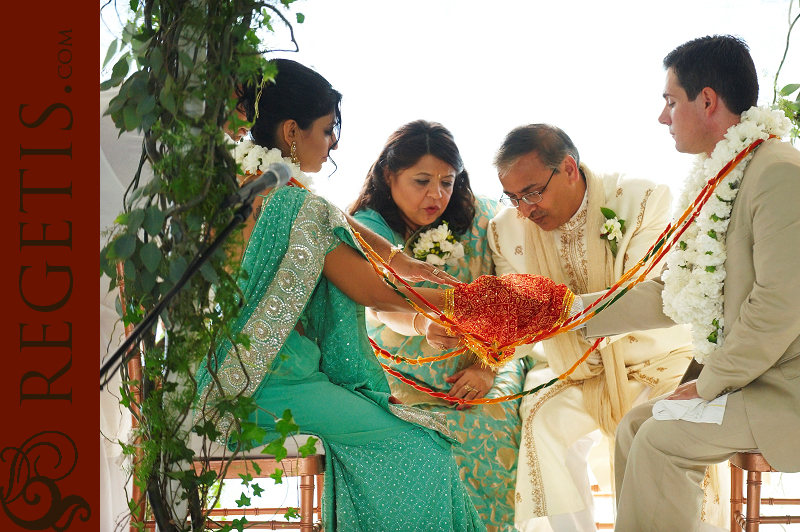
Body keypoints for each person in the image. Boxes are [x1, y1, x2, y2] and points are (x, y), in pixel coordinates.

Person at [580, 35, 800, 531]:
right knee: (635, 428)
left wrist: (706, 385)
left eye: (669, 101)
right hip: (765, 379)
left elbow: (777, 309)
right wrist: (562, 313)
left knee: (661, 439)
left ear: (706, 101)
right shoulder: (724, 175)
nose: (662, 117)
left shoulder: (780, 176)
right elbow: (671, 294)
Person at [192, 59, 486, 532]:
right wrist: (462, 307)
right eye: (328, 130)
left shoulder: (250, 186)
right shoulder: (287, 202)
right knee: (421, 448)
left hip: (249, 374)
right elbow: (367, 286)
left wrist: (414, 269)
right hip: (265, 381)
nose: (333, 144)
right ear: (292, 131)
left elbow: (367, 244)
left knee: (418, 439)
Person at [486, 123, 694, 532]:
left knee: (654, 436)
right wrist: (485, 348)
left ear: (568, 168)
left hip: (652, 361)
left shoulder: (643, 199)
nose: (524, 209)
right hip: (578, 372)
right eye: (512, 197)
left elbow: (637, 297)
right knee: (542, 422)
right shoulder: (505, 230)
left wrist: (546, 311)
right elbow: (518, 327)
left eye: (532, 192)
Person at [348, 120, 525, 532]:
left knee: (489, 424)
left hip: (486, 366)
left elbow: (514, 296)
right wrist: (420, 322)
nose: (437, 195)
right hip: (400, 374)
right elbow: (376, 304)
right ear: (389, 175)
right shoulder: (370, 228)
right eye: (422, 181)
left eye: (447, 182)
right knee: (425, 446)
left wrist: (486, 367)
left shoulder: (485, 218)